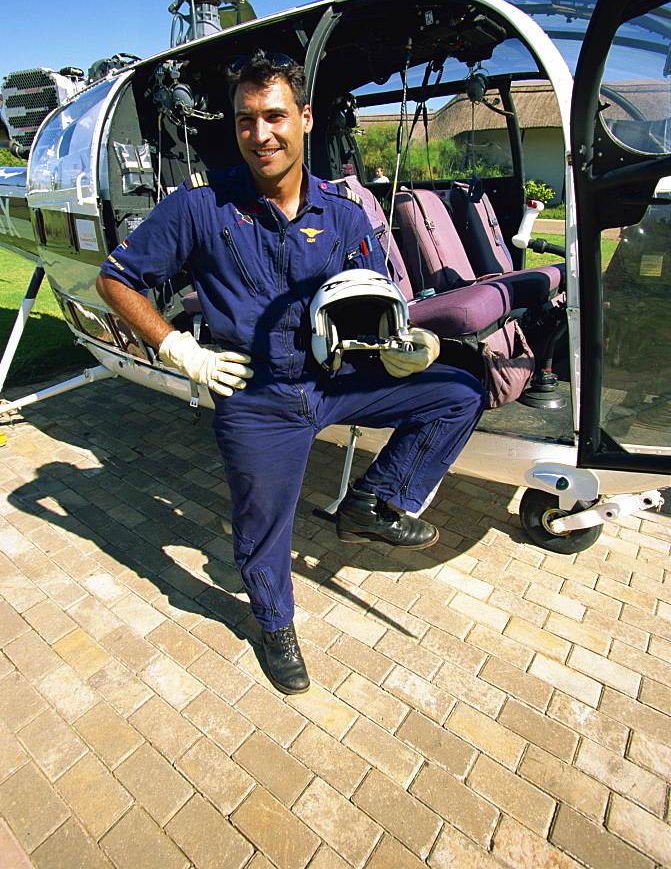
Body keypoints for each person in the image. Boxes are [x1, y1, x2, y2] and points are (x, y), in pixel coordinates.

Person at [96, 50, 486, 695]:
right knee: (262, 530)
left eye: (274, 117)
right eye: (246, 120)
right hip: (256, 397)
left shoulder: (343, 214)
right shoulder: (200, 208)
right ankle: (275, 623)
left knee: (458, 391)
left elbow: (372, 291)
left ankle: (374, 500)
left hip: (334, 378)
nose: (260, 135)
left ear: (304, 119)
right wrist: (176, 347)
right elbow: (118, 278)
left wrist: (401, 342)